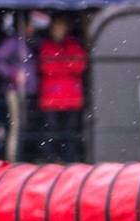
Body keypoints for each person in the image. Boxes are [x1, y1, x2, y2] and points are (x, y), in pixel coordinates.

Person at [37, 14, 85, 163]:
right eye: (56, 28)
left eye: (61, 27)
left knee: (69, 133)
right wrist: (67, 65)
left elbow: (80, 66)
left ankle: (68, 159)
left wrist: (60, 65)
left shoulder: (74, 46)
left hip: (70, 97)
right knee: (51, 132)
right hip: (52, 97)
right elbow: (47, 68)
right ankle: (50, 160)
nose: (58, 31)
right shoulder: (46, 47)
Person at [0, 15, 38, 161]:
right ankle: (13, 158)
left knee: (21, 124)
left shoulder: (26, 43)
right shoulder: (14, 43)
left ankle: (20, 155)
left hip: (25, 91)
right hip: (15, 91)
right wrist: (13, 74)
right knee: (16, 124)